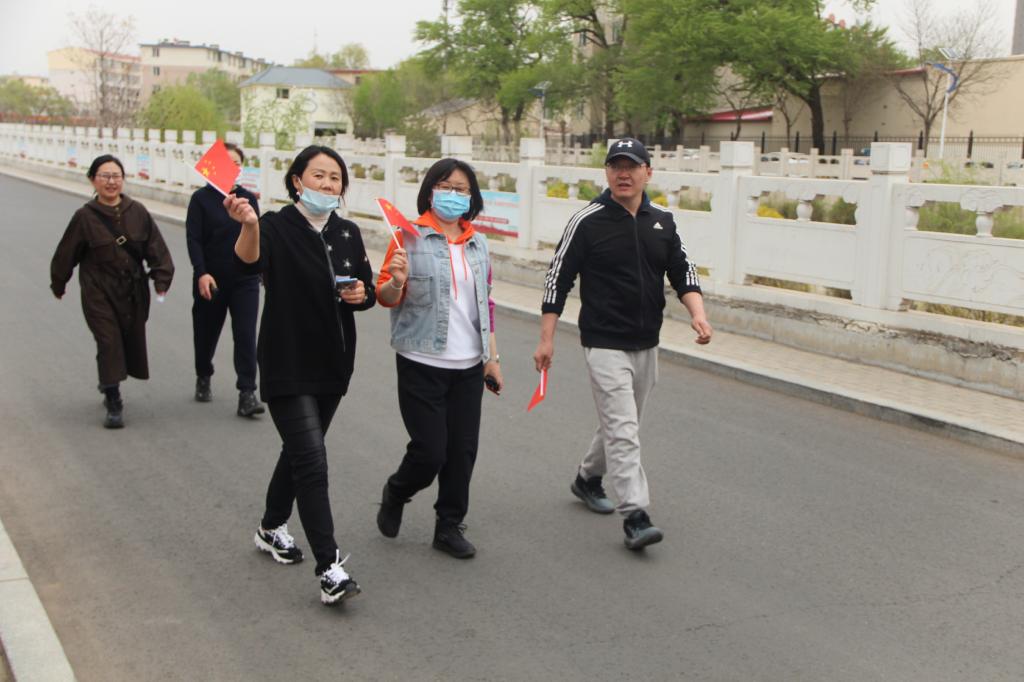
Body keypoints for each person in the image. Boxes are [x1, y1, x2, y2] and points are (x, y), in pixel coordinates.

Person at [532, 138, 713, 550]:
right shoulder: (587, 221)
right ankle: (635, 515)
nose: (623, 174)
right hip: (603, 342)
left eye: (631, 166)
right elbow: (557, 279)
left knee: (621, 423)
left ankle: (587, 478)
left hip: (647, 342)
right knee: (624, 428)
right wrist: (546, 340)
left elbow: (683, 270)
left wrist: (698, 313)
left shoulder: (662, 221)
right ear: (607, 173)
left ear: (648, 172)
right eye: (616, 166)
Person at [226, 145, 376, 605]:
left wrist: (362, 294)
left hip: (333, 363)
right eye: (319, 175)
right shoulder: (274, 226)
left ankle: (271, 526)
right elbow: (246, 262)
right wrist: (249, 225)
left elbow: (366, 289)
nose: (327, 184)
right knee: (312, 460)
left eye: (335, 178)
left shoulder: (347, 232)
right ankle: (329, 568)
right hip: (286, 360)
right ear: (297, 180)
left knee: (299, 451)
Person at [374, 158, 503, 559]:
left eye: (461, 189)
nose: (453, 194)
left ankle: (448, 525)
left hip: (468, 365)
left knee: (462, 453)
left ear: (472, 197)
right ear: (430, 190)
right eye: (445, 186)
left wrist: (492, 358)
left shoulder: (478, 243)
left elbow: (485, 305)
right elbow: (385, 297)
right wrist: (396, 282)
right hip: (421, 360)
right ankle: (397, 491)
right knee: (431, 450)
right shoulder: (406, 237)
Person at [50, 154, 175, 429]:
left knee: (126, 339)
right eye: (104, 176)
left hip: (132, 291)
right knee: (108, 340)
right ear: (92, 180)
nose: (111, 182)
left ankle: (107, 381)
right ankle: (113, 398)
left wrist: (161, 279)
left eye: (116, 176)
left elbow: (156, 249)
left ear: (123, 179)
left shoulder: (138, 212)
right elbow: (66, 253)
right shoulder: (84, 217)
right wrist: (59, 283)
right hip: (98, 290)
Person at [186, 142, 264, 417]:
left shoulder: (248, 198)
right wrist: (201, 272)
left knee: (245, 335)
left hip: (245, 279)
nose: (233, 168)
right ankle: (203, 373)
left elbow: (256, 235)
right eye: (227, 162)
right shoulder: (200, 199)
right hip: (212, 278)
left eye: (237, 163)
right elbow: (194, 239)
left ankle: (247, 393)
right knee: (205, 334)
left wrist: (262, 270)